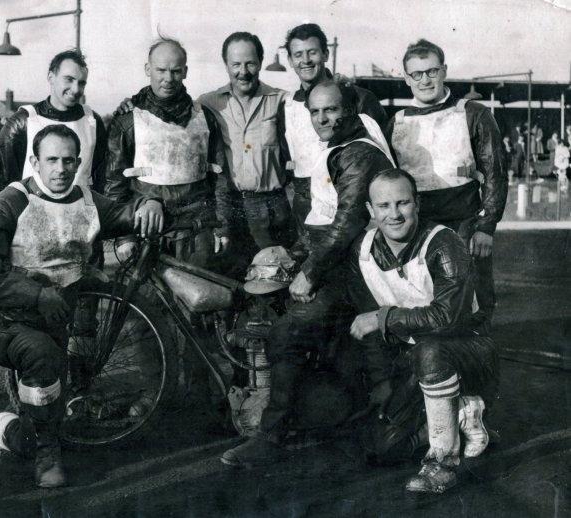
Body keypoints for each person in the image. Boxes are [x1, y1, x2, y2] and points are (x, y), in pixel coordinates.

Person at [0, 125, 165, 488]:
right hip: (7, 320)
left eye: (68, 160)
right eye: (51, 160)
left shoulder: (87, 200)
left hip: (58, 322)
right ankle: (48, 455)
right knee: (42, 358)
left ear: (79, 163)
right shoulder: (13, 200)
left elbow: (125, 214)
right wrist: (34, 294)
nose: (61, 169)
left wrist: (148, 204)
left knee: (37, 431)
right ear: (34, 161)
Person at [221, 80, 394, 468]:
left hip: (355, 266)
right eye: (315, 112)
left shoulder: (358, 154)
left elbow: (348, 219)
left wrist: (310, 271)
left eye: (331, 110)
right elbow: (323, 217)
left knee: (286, 332)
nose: (323, 119)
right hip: (341, 259)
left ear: (350, 109)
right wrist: (294, 252)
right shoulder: (338, 148)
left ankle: (271, 435)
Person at [345, 168, 499, 494]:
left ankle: (442, 462)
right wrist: (383, 383)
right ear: (371, 211)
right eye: (383, 206)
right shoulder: (363, 251)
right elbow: (368, 324)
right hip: (417, 360)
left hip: (469, 353)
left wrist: (384, 318)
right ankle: (462, 411)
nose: (394, 214)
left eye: (402, 203)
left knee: (431, 350)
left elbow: (447, 318)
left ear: (417, 204)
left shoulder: (444, 243)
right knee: (383, 447)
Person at [387, 39, 507, 329]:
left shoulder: (472, 113)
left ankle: (476, 364)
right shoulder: (397, 122)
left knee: (473, 304)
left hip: (465, 225)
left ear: (444, 71)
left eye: (432, 71)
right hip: (417, 227)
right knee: (424, 304)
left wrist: (486, 227)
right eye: (417, 74)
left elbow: (495, 173)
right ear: (406, 78)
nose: (425, 80)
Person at [105, 37, 226, 268]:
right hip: (146, 232)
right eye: (161, 70)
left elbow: (219, 179)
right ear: (148, 69)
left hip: (195, 233)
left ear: (185, 71)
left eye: (175, 71)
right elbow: (114, 183)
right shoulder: (128, 120)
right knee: (147, 301)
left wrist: (222, 226)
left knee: (198, 299)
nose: (168, 79)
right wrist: (124, 236)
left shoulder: (205, 118)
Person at [279, 23, 389, 251]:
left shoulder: (359, 98)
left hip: (351, 200)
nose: (306, 60)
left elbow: (381, 153)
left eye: (313, 52)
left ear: (326, 54)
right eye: (298, 54)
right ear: (290, 60)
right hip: (306, 203)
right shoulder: (288, 105)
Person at [197, 32, 296, 275]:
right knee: (231, 283)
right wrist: (133, 102)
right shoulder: (206, 103)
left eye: (250, 63)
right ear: (226, 65)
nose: (244, 71)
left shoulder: (282, 100)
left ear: (261, 62)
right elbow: (172, 111)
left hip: (272, 210)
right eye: (236, 64)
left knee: (275, 280)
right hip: (229, 208)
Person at [0, 49, 108, 195]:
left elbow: (103, 178)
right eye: (69, 79)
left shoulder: (93, 121)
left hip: (79, 213)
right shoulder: (22, 121)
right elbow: (3, 181)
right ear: (51, 77)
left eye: (81, 83)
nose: (75, 89)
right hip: (31, 212)